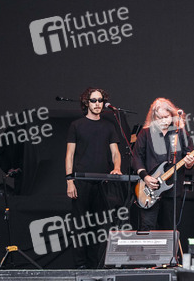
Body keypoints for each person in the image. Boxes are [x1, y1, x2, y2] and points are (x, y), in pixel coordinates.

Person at [65, 88, 121, 269]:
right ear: (86, 102)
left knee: (99, 226)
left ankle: (95, 265)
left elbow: (115, 153)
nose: (97, 104)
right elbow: (69, 155)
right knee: (80, 226)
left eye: (100, 100)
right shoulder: (77, 125)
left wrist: (117, 168)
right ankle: (80, 266)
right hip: (81, 181)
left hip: (102, 182)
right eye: (93, 100)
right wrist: (69, 180)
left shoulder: (109, 126)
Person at [131, 98, 194, 235]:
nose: (163, 121)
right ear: (154, 117)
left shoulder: (179, 133)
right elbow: (136, 158)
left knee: (169, 229)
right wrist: (145, 177)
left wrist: (190, 162)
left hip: (172, 190)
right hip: (149, 188)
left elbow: (188, 156)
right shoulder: (146, 133)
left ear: (172, 115)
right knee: (147, 228)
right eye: (159, 118)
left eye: (166, 117)